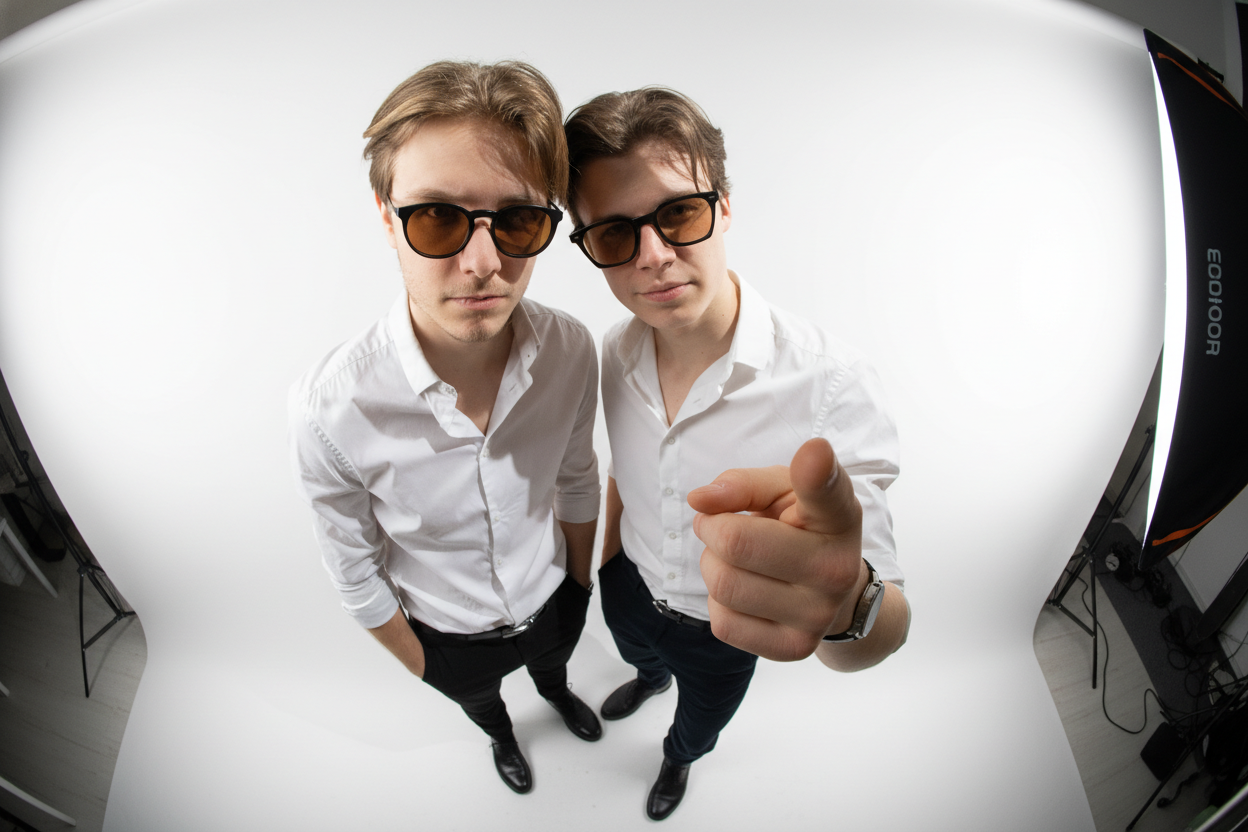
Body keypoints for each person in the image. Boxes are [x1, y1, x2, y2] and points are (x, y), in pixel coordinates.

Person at [563, 87, 911, 820]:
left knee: (698, 725)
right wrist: (608, 562)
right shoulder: (614, 351)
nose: (653, 256)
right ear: (590, 246)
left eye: (678, 214)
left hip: (722, 630)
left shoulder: (831, 383)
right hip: (629, 589)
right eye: (615, 234)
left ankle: (677, 761)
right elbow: (627, 465)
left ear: (723, 205)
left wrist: (845, 602)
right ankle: (648, 678)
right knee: (638, 655)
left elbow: (878, 631)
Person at [288, 60, 602, 796]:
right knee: (484, 706)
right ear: (386, 216)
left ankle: (557, 694)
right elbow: (353, 566)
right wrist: (426, 664)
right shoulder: (330, 408)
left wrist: (578, 586)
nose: (484, 263)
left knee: (552, 670)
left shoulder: (570, 349)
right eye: (437, 217)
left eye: (518, 220)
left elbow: (578, 477)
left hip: (553, 596)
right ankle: (502, 735)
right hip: (447, 637)